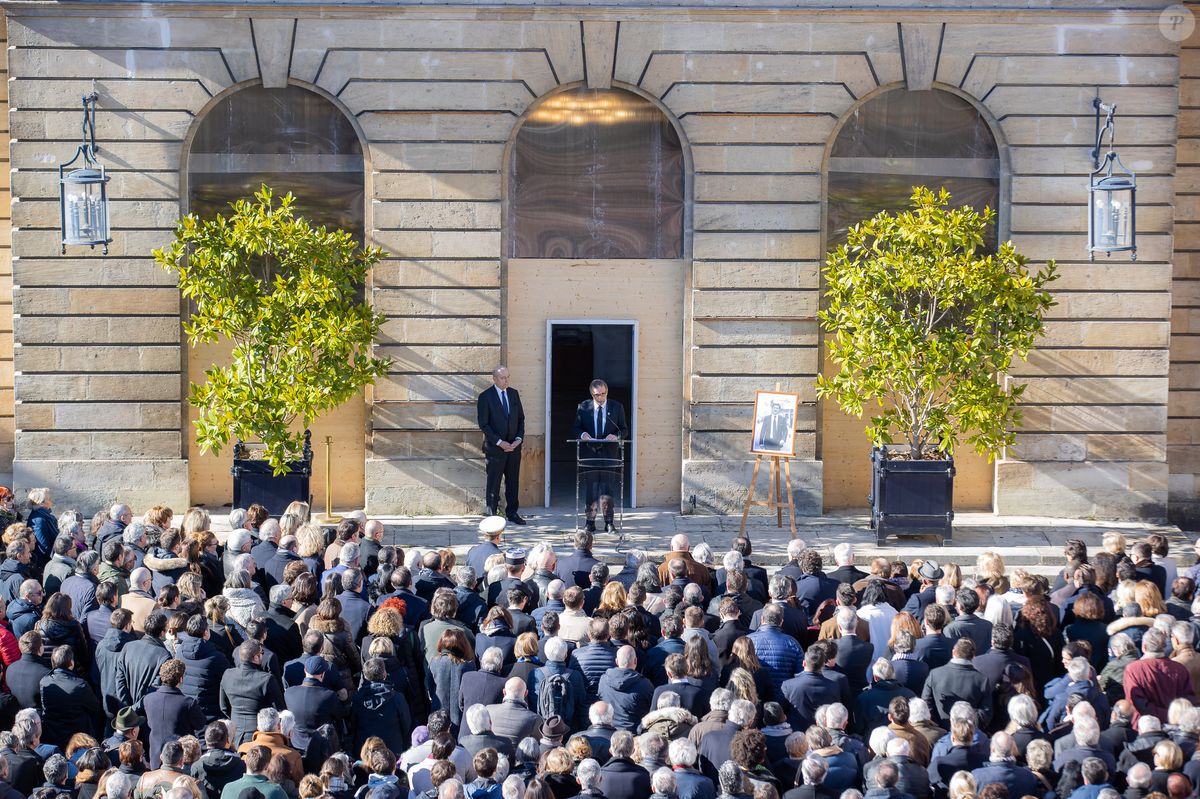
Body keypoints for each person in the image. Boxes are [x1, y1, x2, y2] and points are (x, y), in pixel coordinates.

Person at [572, 379, 629, 534]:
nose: (601, 397)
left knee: (607, 489)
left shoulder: (616, 407)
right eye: (597, 395)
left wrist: (616, 436)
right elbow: (576, 428)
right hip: (590, 454)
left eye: (604, 394)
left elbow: (624, 429)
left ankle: (609, 523)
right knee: (591, 489)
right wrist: (583, 435)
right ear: (592, 394)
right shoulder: (583, 407)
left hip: (609, 455)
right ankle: (590, 522)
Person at [478, 365, 526, 525]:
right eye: (502, 378)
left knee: (513, 482)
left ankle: (512, 513)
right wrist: (500, 442)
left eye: (507, 377)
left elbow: (520, 419)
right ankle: (492, 514)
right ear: (494, 379)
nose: (506, 381)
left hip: (514, 447)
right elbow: (484, 424)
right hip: (495, 449)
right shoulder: (485, 397)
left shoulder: (513, 394)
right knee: (494, 482)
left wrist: (518, 439)